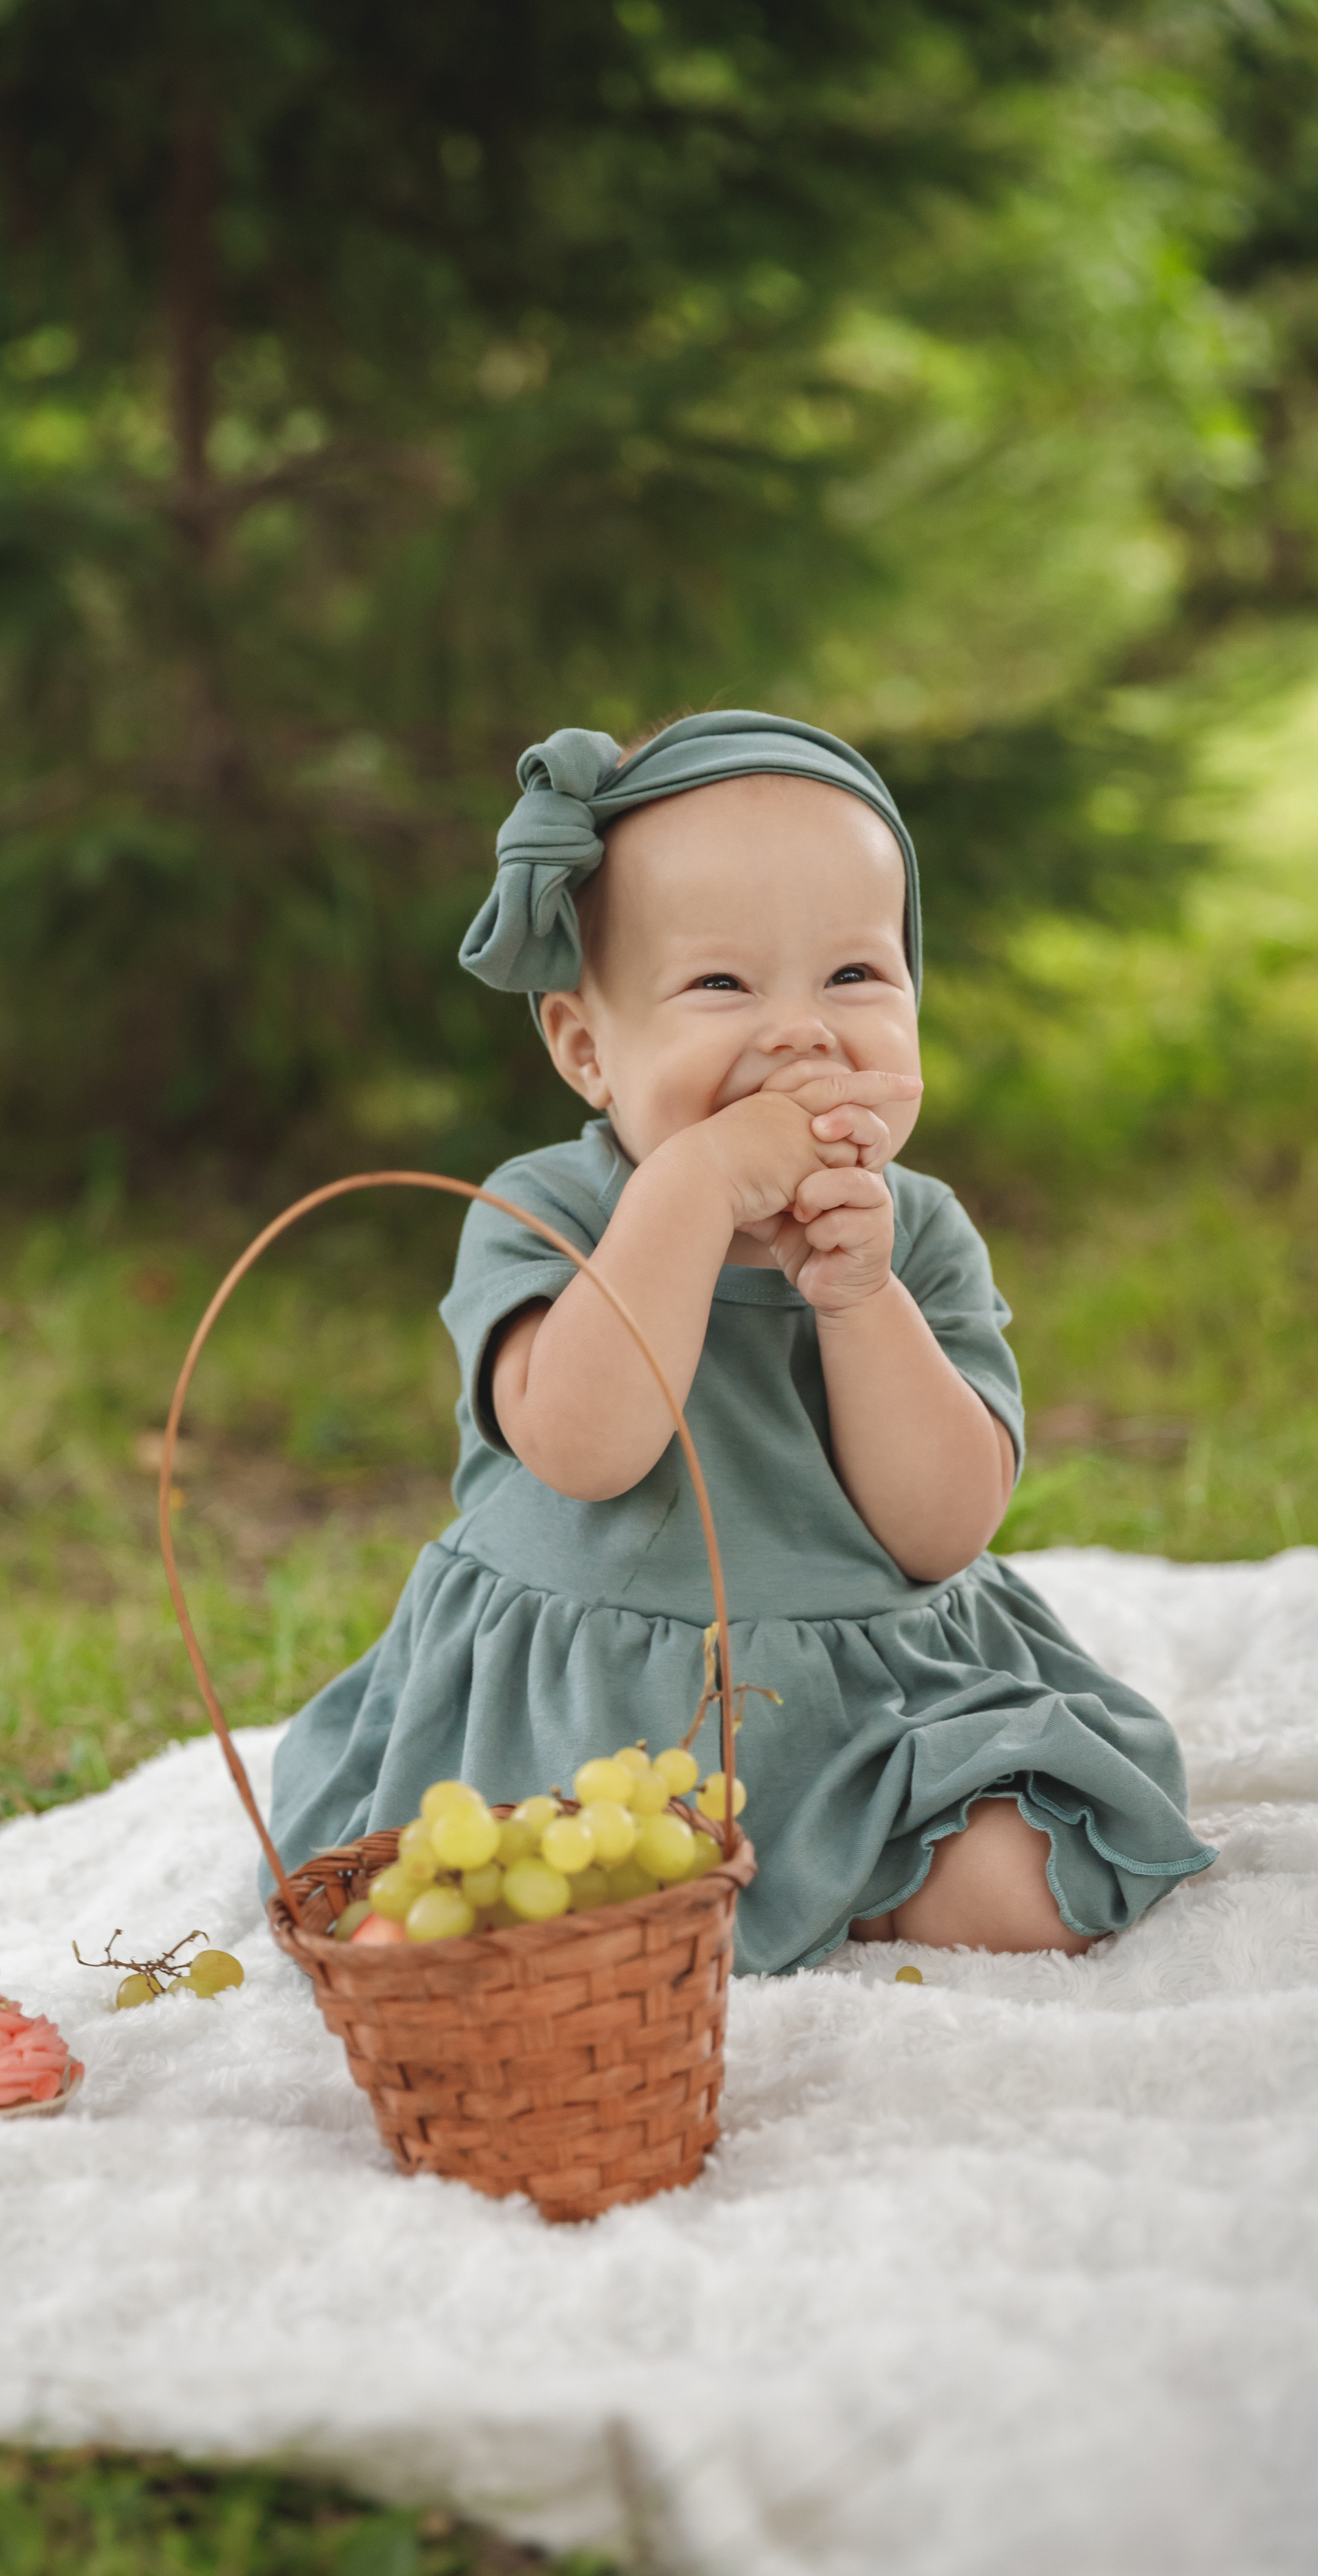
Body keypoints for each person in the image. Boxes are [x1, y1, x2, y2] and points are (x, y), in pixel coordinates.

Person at [267, 712, 1213, 1971]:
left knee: (1021, 1889)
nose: (802, 1032)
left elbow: (940, 1531)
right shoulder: (539, 1214)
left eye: (856, 977)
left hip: (864, 1709)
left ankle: (841, 1879)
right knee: (531, 1910)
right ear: (585, 1049)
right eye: (722, 984)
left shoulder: (913, 1232)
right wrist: (695, 1190)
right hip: (587, 1715)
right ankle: (705, 1892)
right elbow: (589, 1448)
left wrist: (858, 1296)